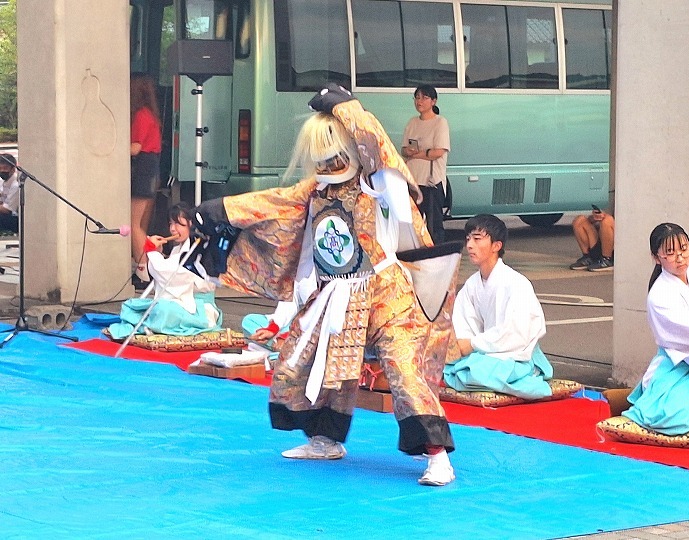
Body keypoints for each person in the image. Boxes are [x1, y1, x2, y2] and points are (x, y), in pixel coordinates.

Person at [193, 83, 461, 486]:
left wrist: (348, 107)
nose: (332, 165)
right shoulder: (314, 190)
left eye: (337, 156)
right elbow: (273, 202)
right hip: (334, 291)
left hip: (388, 292)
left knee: (404, 369)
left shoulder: (376, 182)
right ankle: (324, 438)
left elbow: (376, 144)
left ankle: (438, 455)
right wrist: (219, 211)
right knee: (303, 361)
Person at [622, 222, 689, 435]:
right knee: (678, 415)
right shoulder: (659, 296)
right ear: (657, 257)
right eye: (670, 252)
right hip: (681, 366)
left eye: (684, 249)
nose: (680, 257)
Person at [443, 214, 553, 399]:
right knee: (450, 367)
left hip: (516, 355)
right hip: (486, 353)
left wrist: (472, 344)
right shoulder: (472, 285)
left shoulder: (516, 283)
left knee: (474, 372)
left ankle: (530, 374)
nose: (469, 245)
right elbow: (463, 324)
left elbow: (516, 333)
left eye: (477, 239)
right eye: (468, 238)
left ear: (496, 245)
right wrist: (463, 344)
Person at [108, 203, 221, 339]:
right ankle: (152, 324)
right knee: (131, 305)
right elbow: (164, 275)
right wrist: (157, 253)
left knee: (163, 309)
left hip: (200, 309)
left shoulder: (199, 249)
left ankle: (152, 325)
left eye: (178, 224)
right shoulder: (177, 249)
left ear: (191, 224)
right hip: (180, 303)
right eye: (171, 224)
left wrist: (152, 253)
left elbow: (172, 276)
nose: (173, 229)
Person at [401, 85, 450, 245]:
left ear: (433, 101)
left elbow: (439, 151)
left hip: (431, 182)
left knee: (434, 224)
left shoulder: (440, 122)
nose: (419, 101)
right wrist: (409, 151)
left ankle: (438, 256)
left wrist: (418, 154)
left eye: (424, 97)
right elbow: (403, 149)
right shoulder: (412, 122)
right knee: (412, 222)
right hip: (414, 181)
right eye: (417, 97)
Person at [130, 74, 162, 287]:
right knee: (140, 224)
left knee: (134, 224)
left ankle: (143, 271)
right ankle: (150, 266)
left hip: (143, 167)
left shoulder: (141, 115)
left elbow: (136, 147)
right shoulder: (151, 114)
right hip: (151, 167)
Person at [569, 205, 615, 272]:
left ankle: (607, 260)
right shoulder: (615, 199)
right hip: (604, 238)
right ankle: (588, 257)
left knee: (607, 220)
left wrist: (606, 218)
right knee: (579, 220)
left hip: (619, 245)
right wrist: (596, 218)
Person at [0, 154, 19, 233]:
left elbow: (8, 210)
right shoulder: (6, 181)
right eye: (0, 168)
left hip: (14, 219)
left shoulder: (15, 185)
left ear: (13, 169)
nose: (2, 171)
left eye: (5, 168)